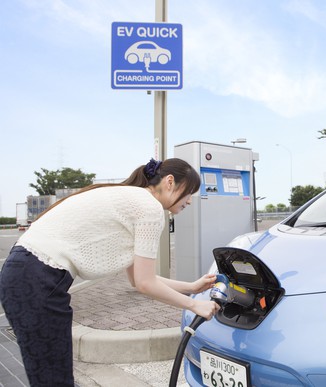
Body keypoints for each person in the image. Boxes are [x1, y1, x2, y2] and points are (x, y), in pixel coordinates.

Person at [0, 158, 220, 386]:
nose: (190, 201)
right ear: (170, 182)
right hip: (38, 278)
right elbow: (145, 284)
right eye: (190, 192)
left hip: (23, 272)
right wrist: (196, 305)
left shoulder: (130, 198)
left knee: (49, 376)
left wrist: (193, 287)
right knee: (54, 380)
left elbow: (139, 279)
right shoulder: (150, 208)